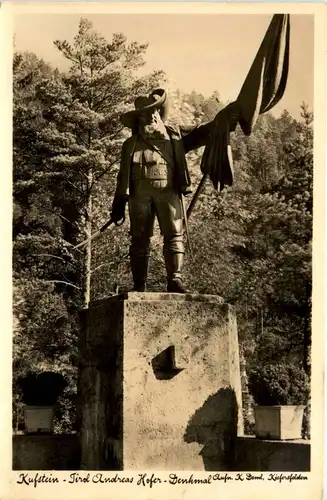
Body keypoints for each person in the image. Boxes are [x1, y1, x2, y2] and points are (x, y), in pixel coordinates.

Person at [110, 88, 238, 293]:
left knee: (174, 235)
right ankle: (139, 285)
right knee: (139, 239)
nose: (151, 116)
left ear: (159, 113)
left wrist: (225, 118)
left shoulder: (176, 137)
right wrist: (118, 204)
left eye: (155, 111)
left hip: (168, 193)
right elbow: (122, 177)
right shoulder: (130, 145)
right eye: (146, 113)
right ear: (139, 118)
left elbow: (203, 132)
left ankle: (175, 279)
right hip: (138, 196)